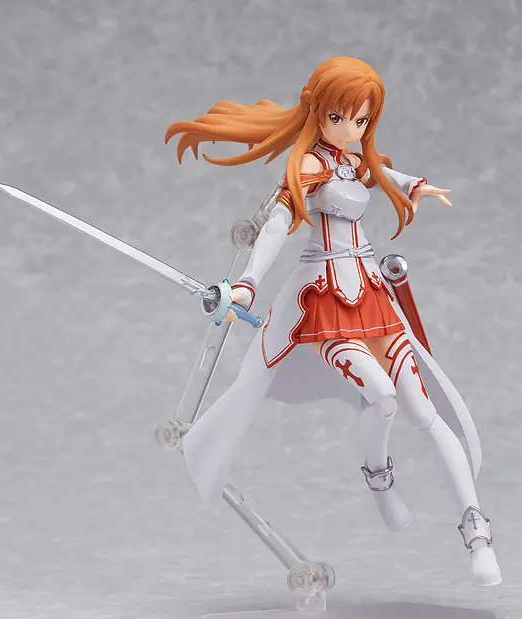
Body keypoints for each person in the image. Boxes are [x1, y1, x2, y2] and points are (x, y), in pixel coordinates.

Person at [165, 56, 501, 587]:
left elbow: (379, 173)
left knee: (423, 408)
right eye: (340, 117)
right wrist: (248, 281)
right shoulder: (305, 167)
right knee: (381, 396)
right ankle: (380, 479)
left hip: (372, 294)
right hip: (324, 301)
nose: (351, 130)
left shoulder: (351, 161)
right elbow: (277, 223)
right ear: (318, 110)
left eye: (362, 120)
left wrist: (415, 186)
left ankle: (476, 531)